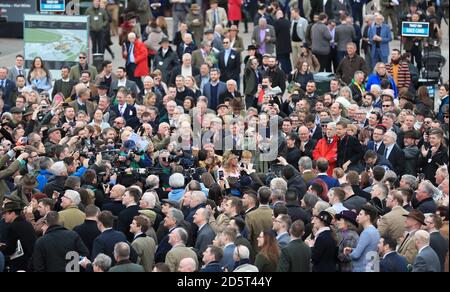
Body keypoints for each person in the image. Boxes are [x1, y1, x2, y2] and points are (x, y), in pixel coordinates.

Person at [0, 202, 36, 272]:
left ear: (13, 213)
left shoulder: (13, 227)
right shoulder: (28, 224)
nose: (4, 216)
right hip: (30, 262)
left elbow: (10, 250)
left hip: (18, 264)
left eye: (5, 214)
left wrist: (2, 247)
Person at [343, 204, 380, 272]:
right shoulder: (375, 231)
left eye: (360, 214)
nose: (357, 216)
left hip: (362, 268)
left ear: (367, 217)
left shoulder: (366, 233)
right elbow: (367, 250)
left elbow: (356, 255)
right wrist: (352, 250)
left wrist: (348, 253)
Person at [245, 187, 274, 253]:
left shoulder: (250, 216)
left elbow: (248, 236)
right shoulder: (275, 214)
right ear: (270, 198)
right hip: (272, 252)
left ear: (258, 197)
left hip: (256, 252)